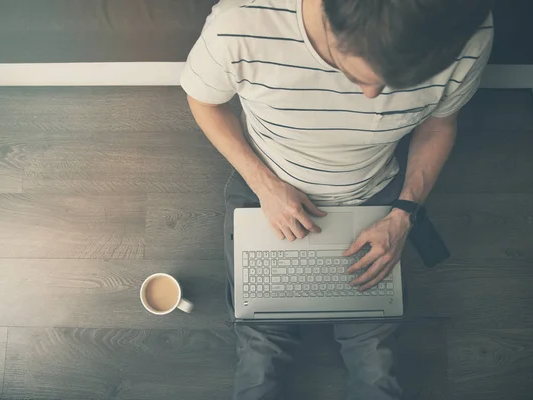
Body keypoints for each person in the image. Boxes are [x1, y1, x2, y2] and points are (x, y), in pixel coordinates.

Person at [180, 0, 493, 399]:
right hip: (267, 188)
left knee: (376, 359)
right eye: (356, 73)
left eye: (397, 83)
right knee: (260, 352)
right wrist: (264, 185)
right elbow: (204, 100)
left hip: (375, 195)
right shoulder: (240, 21)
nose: (371, 96)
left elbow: (440, 122)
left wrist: (404, 213)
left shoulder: (465, 30)